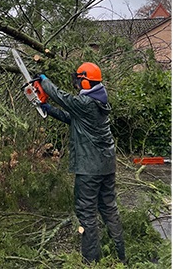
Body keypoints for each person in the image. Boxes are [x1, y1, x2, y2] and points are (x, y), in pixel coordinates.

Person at [38, 62, 126, 264]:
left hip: (89, 168)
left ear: (86, 82)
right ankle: (121, 257)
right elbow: (73, 119)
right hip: (106, 165)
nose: (77, 85)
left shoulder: (86, 103)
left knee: (86, 213)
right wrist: (48, 109)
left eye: (79, 81)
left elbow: (63, 98)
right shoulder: (98, 100)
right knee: (109, 208)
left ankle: (90, 262)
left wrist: (44, 81)